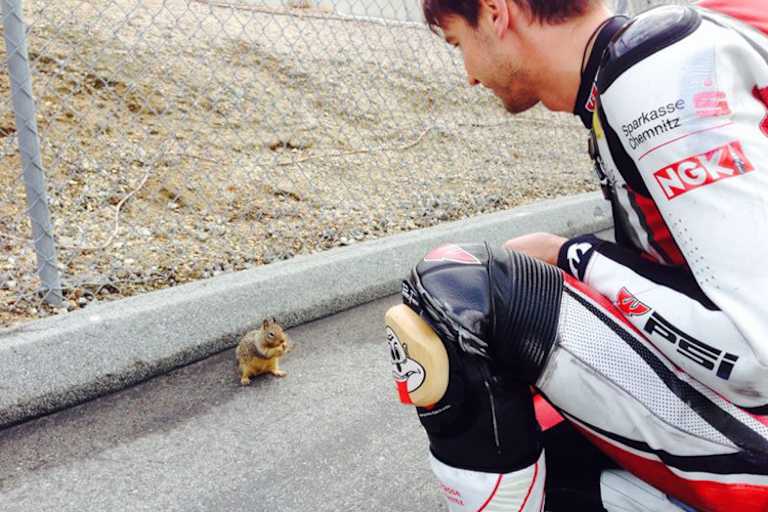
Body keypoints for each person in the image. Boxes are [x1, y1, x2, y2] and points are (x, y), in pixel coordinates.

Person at [388, 0, 768, 510]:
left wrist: (574, 256)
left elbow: (756, 351)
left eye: (459, 44)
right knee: (539, 443)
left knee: (458, 292)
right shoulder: (710, 30)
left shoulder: (655, 72)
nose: (471, 77)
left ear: (496, 12)